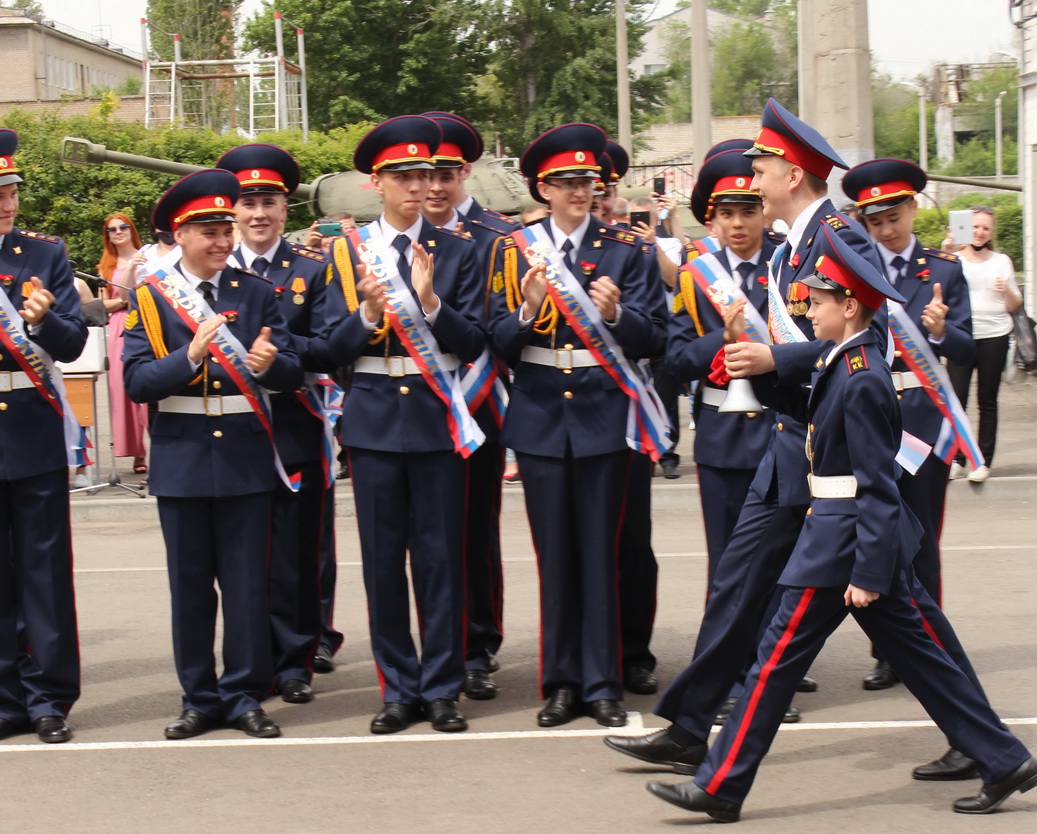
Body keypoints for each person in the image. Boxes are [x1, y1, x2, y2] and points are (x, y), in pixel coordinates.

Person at [645, 224, 1037, 823]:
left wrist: (869, 570)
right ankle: (1003, 757)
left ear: (849, 305)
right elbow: (816, 414)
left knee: (775, 660)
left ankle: (720, 785)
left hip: (841, 543)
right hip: (844, 539)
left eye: (818, 301)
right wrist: (762, 377)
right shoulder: (848, 361)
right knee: (923, 658)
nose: (808, 309)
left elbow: (876, 485)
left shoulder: (860, 376)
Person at [605, 97, 884, 771]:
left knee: (901, 615)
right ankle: (689, 723)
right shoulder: (795, 248)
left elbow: (865, 345)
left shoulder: (838, 240)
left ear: (789, 173)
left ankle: (991, 750)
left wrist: (771, 360)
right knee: (736, 584)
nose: (750, 179)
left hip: (830, 448)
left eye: (760, 166)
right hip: (790, 441)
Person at [486, 123, 667, 728]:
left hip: (602, 412)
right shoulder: (514, 249)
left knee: (602, 552)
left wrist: (616, 315)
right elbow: (496, 342)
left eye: (587, 181)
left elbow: (657, 336)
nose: (578, 192)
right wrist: (530, 310)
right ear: (543, 187)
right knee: (555, 555)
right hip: (540, 414)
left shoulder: (627, 249)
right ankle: (561, 682)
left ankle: (604, 680)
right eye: (565, 183)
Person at [123, 169, 302, 740]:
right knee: (192, 589)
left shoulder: (253, 291)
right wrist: (190, 358)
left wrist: (272, 365)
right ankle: (199, 698)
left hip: (246, 457)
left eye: (227, 229)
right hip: (183, 459)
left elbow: (295, 369)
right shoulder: (151, 298)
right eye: (210, 231)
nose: (224, 241)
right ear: (180, 235)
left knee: (249, 585)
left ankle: (245, 694)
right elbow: (136, 381)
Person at [323, 115, 485, 735]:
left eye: (425, 174)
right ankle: (397, 688)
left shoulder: (459, 250)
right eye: (403, 175)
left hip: (436, 415)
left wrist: (433, 305)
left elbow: (474, 342)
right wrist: (365, 315)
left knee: (442, 560)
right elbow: (322, 350)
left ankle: (443, 687)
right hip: (371, 423)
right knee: (383, 562)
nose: (418, 186)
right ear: (376, 183)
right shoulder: (343, 253)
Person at [843, 158, 975, 694]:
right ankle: (888, 650)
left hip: (923, 424)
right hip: (873, 424)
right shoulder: (856, 269)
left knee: (922, 544)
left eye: (893, 216)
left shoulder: (943, 271)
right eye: (874, 221)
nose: (885, 229)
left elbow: (971, 349)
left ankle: (928, 646)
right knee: (880, 542)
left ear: (912, 208)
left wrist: (942, 333)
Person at [216, 142, 335, 706]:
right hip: (229, 436)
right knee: (242, 559)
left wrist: (280, 357)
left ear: (286, 209)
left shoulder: (311, 270)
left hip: (292, 425)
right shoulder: (205, 268)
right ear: (231, 210)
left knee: (293, 555)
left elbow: (331, 345)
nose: (258, 213)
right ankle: (250, 662)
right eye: (247, 202)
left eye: (268, 201)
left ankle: (295, 662)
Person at [421, 111, 518, 700]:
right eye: (425, 173)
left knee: (476, 529)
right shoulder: (388, 236)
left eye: (447, 172)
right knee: (428, 536)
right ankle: (436, 645)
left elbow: (500, 327)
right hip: (415, 405)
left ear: (466, 172)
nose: (435, 185)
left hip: (476, 401)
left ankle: (477, 645)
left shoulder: (495, 237)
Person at [0, 128, 87, 744]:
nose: (7, 201)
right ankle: (5, 699)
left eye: (12, 189)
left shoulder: (42, 254)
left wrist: (44, 321)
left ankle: (49, 696)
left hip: (31, 422)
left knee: (45, 569)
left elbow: (75, 342)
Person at [667, 145, 778, 585]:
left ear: (763, 211)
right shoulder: (695, 276)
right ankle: (726, 653)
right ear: (712, 219)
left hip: (779, 429)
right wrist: (722, 340)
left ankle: (773, 654)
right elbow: (675, 360)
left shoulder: (790, 266)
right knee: (726, 559)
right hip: (721, 436)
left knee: (778, 557)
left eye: (748, 210)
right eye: (727, 213)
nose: (737, 224)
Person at [943, 207, 1023, 483]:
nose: (979, 232)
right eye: (975, 227)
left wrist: (1007, 290)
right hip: (961, 334)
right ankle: (956, 459)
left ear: (991, 232)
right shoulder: (953, 258)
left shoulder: (1001, 261)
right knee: (957, 400)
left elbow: (1015, 306)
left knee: (987, 402)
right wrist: (946, 250)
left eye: (985, 228)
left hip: (995, 334)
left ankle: (982, 462)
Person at [97, 212, 148, 474]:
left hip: (148, 322)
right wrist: (128, 273)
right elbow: (103, 304)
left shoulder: (148, 256)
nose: (118, 231)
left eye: (123, 226)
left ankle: (161, 443)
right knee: (123, 390)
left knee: (152, 389)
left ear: (131, 229)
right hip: (119, 327)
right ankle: (138, 452)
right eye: (112, 229)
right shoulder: (106, 266)